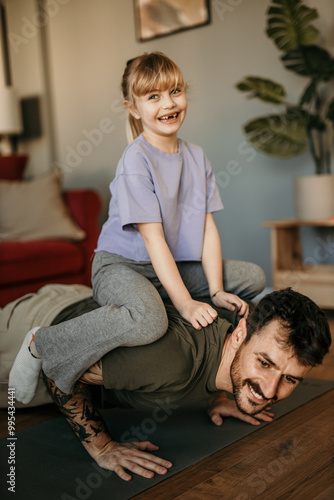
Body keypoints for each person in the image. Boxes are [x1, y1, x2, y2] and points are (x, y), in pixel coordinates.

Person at [9, 51, 266, 404]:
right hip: (122, 266)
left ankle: (193, 333)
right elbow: (154, 241)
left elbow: (207, 228)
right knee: (148, 322)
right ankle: (42, 343)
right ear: (133, 107)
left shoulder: (197, 157)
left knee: (252, 277)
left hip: (170, 270)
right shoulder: (136, 161)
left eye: (175, 91)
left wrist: (217, 289)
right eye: (153, 96)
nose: (168, 103)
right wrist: (187, 304)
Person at [3, 285, 330, 481]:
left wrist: (223, 393)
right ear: (241, 334)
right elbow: (54, 365)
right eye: (264, 363)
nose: (270, 391)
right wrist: (102, 446)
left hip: (90, 300)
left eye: (289, 379)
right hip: (35, 325)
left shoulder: (239, 331)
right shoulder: (170, 360)